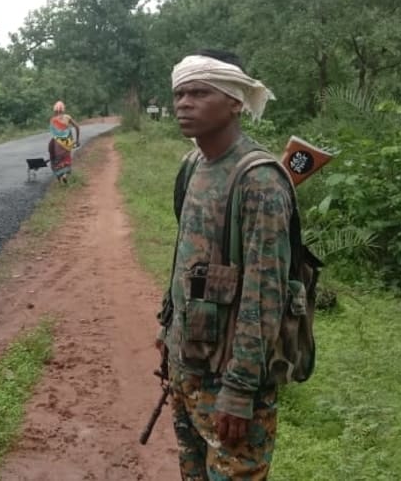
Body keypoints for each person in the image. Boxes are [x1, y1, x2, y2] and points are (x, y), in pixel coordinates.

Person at [156, 49, 290, 480]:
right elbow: (186, 258)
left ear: (235, 101)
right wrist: (168, 331)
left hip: (230, 382)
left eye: (198, 92)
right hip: (187, 364)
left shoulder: (259, 180)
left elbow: (264, 294)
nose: (183, 103)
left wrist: (240, 388)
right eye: (179, 93)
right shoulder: (193, 165)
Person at [47, 101, 81, 183]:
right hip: (67, 142)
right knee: (66, 158)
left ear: (54, 110)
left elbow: (54, 134)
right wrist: (77, 140)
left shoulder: (53, 120)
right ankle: (65, 175)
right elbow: (77, 127)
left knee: (55, 158)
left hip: (57, 142)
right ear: (63, 109)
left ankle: (60, 176)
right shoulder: (67, 117)